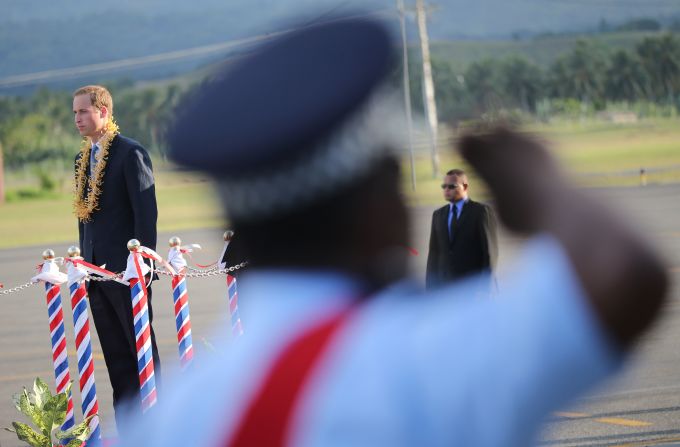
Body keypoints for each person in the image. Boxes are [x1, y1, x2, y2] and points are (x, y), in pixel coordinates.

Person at [121, 17, 667, 447]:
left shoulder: (172, 419)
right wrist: (541, 183)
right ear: (377, 206)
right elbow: (625, 273)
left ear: (239, 226)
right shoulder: (433, 358)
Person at [72, 85, 161, 429]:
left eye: (83, 111)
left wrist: (143, 267)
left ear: (104, 112)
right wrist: (83, 264)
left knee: (141, 354)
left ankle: (158, 425)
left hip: (128, 274)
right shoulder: (81, 159)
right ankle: (130, 429)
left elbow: (145, 214)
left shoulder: (130, 153)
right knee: (116, 358)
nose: (77, 119)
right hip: (95, 274)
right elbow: (85, 220)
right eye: (75, 113)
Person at [426, 168, 498, 289]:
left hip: (471, 288)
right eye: (444, 186)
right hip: (445, 290)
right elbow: (433, 254)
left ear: (465, 187)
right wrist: (430, 288)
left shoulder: (480, 212)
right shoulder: (438, 215)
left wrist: (484, 288)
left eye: (451, 186)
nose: (447, 190)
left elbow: (489, 253)